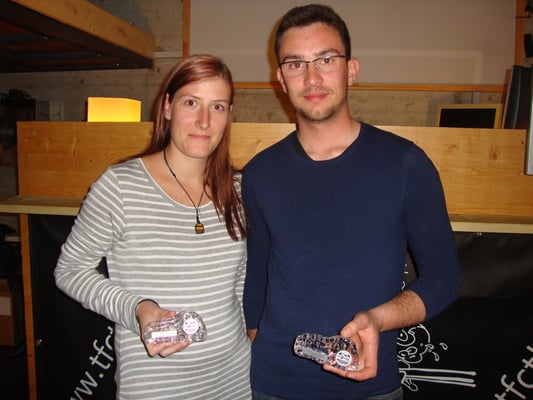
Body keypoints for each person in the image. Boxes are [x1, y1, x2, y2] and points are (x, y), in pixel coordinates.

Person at [242, 4, 461, 400]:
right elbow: (258, 277)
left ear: (351, 70)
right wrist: (258, 345)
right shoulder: (260, 173)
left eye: (326, 60)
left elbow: (443, 278)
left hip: (370, 386)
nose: (312, 77)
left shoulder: (406, 163)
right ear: (281, 79)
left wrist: (378, 319)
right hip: (273, 386)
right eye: (296, 64)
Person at [54, 54, 251, 400]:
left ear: (228, 116)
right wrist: (137, 308)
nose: (204, 121)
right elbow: (69, 271)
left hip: (234, 381)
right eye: (191, 102)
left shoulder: (238, 188)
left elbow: (240, 282)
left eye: (217, 107)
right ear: (168, 107)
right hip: (156, 386)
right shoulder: (120, 186)